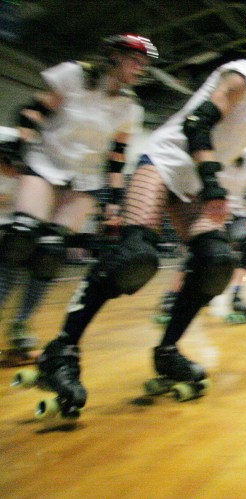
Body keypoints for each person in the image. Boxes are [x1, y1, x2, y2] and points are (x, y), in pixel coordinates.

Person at [34, 25, 246, 418]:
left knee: (217, 262)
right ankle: (62, 350)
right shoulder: (242, 75)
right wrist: (212, 186)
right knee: (135, 258)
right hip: (162, 164)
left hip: (190, 181)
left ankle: (167, 350)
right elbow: (197, 125)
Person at [0, 34, 156, 365]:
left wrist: (114, 202)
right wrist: (17, 146)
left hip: (84, 180)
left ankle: (20, 327)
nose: (140, 68)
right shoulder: (74, 75)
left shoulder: (130, 107)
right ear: (113, 55)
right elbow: (34, 110)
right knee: (20, 239)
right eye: (135, 59)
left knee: (50, 253)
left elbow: (117, 156)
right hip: (44, 163)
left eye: (144, 64)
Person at [155, 147, 246, 325]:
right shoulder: (215, 147)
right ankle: (171, 296)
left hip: (236, 213)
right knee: (200, 253)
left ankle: (237, 296)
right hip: (209, 210)